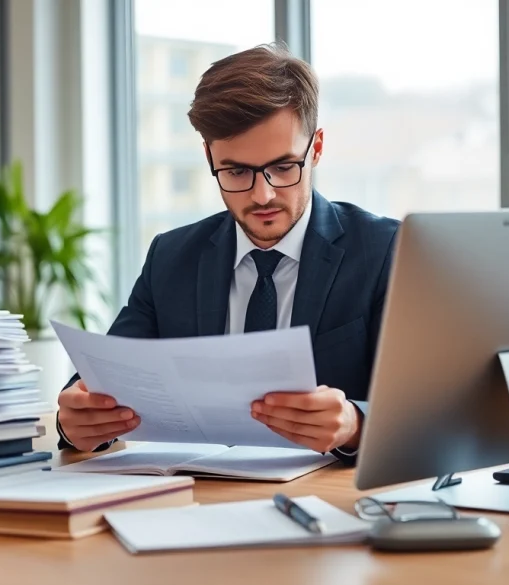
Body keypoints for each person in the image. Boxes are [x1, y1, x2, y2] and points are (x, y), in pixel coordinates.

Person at [56, 42, 399, 465]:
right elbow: (102, 382)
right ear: (208, 156)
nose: (263, 195)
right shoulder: (171, 258)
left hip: (325, 493)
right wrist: (75, 422)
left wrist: (355, 424)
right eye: (236, 171)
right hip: (193, 491)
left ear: (317, 148)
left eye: (283, 167)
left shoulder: (384, 251)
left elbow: (425, 413)